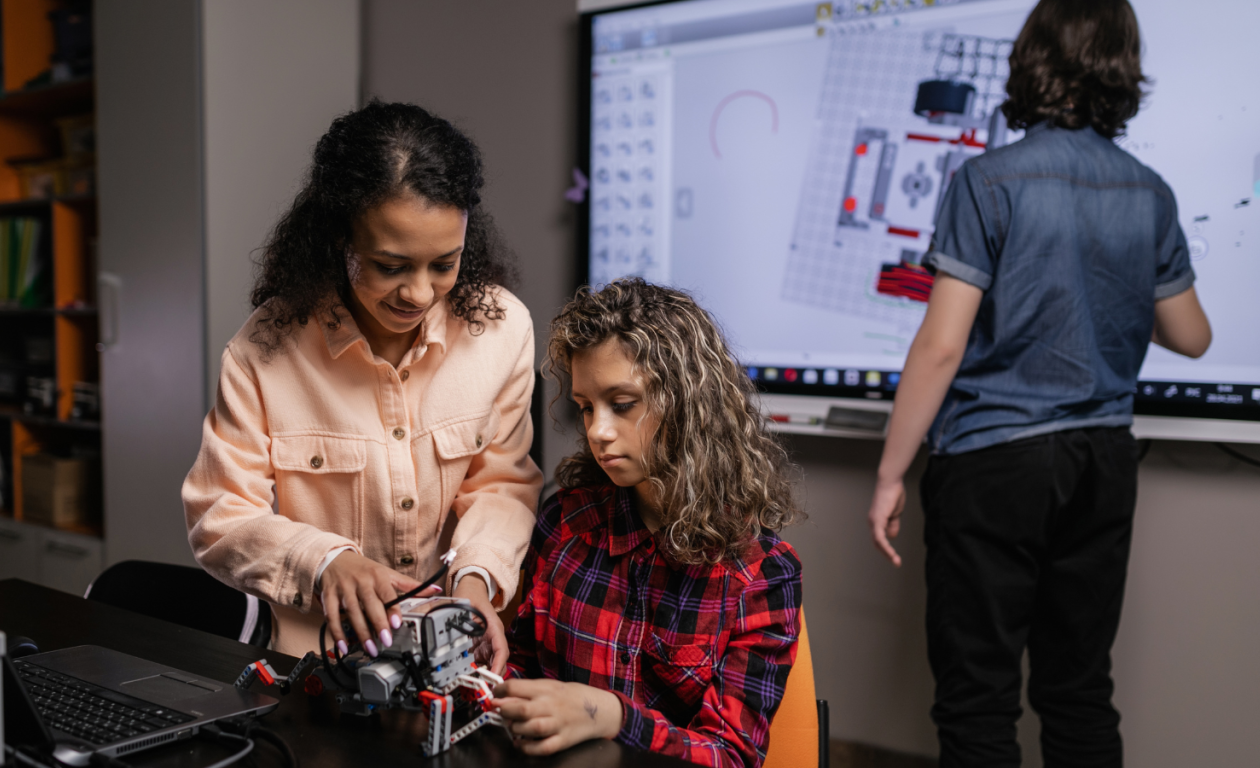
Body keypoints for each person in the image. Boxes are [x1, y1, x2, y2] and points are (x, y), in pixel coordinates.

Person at [865, 1, 1212, 766]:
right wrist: (1107, 290)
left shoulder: (986, 181)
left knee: (977, 698)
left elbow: (939, 347)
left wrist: (890, 474)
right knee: (1078, 689)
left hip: (993, 464)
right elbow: (1192, 335)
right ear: (1122, 69)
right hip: (1101, 465)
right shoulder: (1148, 191)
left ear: (1029, 61)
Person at [183, 101, 543, 668]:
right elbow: (220, 515)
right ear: (338, 239)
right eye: (390, 266)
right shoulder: (262, 352)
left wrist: (476, 578)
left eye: (443, 264)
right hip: (315, 664)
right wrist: (325, 562)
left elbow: (502, 484)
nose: (419, 293)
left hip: (451, 653)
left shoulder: (503, 331)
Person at [492, 279, 804, 768]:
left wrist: (612, 717)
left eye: (622, 405)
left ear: (687, 401)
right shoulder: (565, 521)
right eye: (586, 408)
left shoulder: (762, 576)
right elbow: (519, 668)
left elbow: (731, 756)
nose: (597, 431)